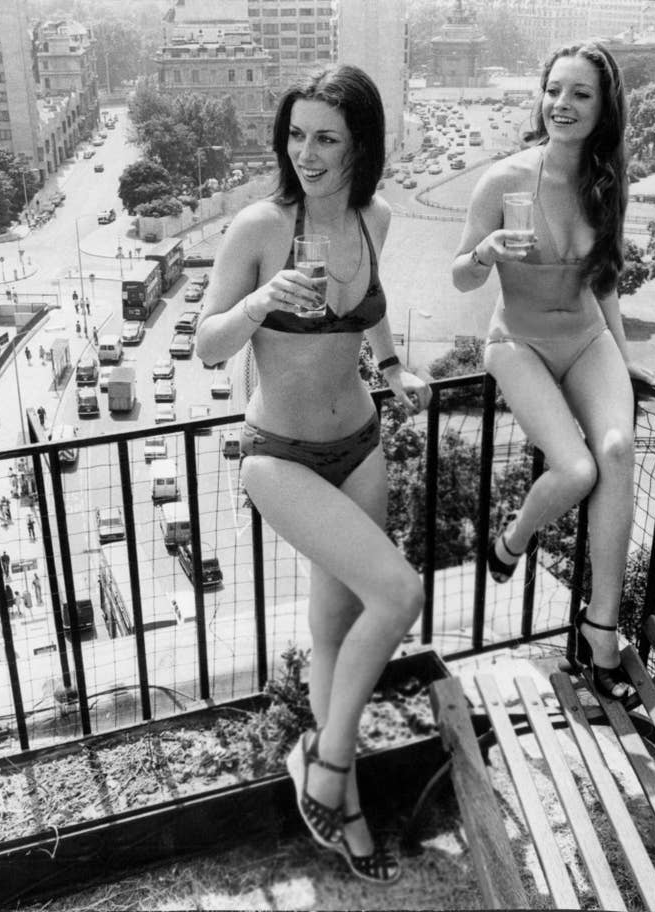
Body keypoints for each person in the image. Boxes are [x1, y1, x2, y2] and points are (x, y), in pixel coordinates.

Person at [195, 64, 430, 885]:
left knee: (335, 633)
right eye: (296, 135)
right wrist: (260, 304)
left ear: (359, 144)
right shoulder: (259, 227)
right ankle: (323, 763)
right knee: (399, 595)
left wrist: (393, 366)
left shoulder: (376, 217)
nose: (307, 153)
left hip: (361, 444)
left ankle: (349, 807)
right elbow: (207, 345)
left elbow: (372, 303)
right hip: (279, 457)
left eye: (326, 137)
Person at [451, 42, 655, 703]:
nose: (562, 105)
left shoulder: (605, 183)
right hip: (518, 342)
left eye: (580, 94)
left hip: (586, 336)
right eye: (553, 90)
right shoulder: (500, 179)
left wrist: (621, 372)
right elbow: (459, 277)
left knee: (617, 451)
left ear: (603, 109)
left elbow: (606, 286)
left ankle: (600, 632)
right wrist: (482, 251)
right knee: (575, 470)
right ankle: (509, 542)